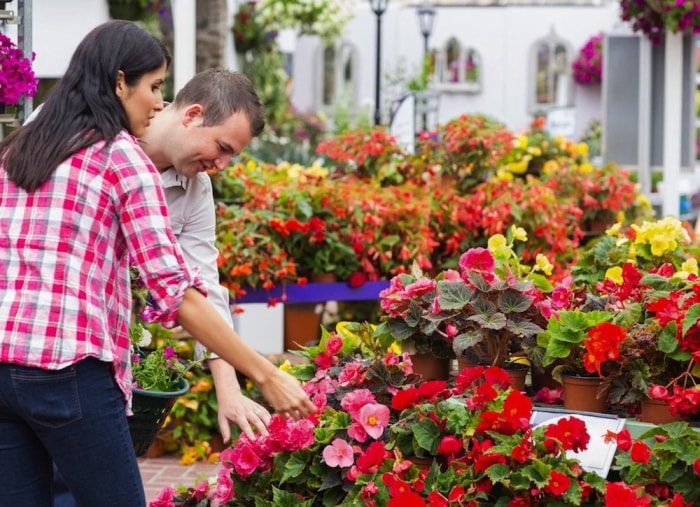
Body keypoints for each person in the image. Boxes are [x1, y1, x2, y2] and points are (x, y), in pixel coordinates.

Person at [0, 21, 314, 507]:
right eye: (154, 86)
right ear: (120, 82)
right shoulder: (125, 158)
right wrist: (267, 374)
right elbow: (176, 292)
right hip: (70, 368)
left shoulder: (30, 140)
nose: (156, 100)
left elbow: (203, 282)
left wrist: (227, 388)